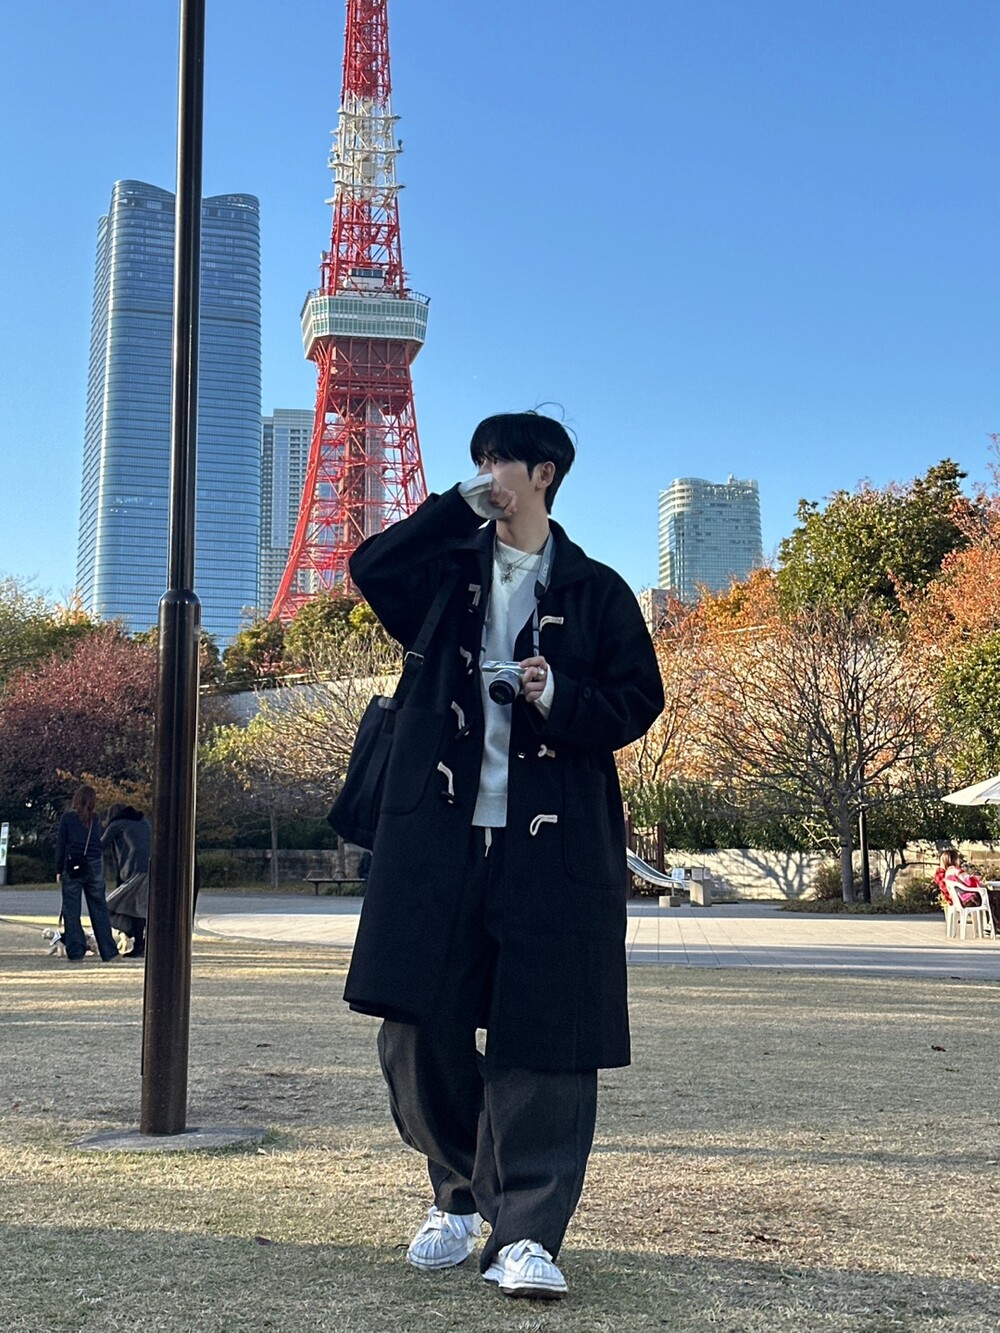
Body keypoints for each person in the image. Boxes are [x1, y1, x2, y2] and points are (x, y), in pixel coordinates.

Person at [342, 411, 664, 1301]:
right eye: (478, 458)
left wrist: (560, 692)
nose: (488, 471)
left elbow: (640, 699)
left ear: (544, 473)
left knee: (546, 1033)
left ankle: (526, 1232)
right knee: (416, 1024)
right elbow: (370, 567)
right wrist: (452, 506)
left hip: (553, 846)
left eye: (501, 460)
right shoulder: (445, 572)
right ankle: (456, 1193)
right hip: (438, 838)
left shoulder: (597, 589)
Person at [55, 785, 118, 963]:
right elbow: (99, 843)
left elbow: (61, 844)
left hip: (73, 865)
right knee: (99, 908)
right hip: (95, 864)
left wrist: (59, 869)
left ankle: (76, 951)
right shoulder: (95, 819)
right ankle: (109, 951)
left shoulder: (68, 818)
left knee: (72, 909)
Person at [102, 804, 151, 958]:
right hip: (153, 868)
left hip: (134, 870)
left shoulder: (117, 825)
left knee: (115, 906)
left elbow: (100, 845)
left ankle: (138, 943)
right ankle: (141, 942)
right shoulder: (145, 822)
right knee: (140, 907)